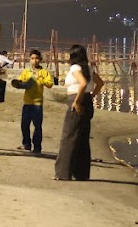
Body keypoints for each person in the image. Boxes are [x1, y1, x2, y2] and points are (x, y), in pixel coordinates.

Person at [55, 43, 103, 181]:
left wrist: (76, 101)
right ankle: (81, 173)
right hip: (87, 101)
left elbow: (82, 83)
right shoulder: (88, 68)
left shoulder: (75, 68)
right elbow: (100, 83)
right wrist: (92, 95)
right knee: (82, 139)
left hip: (77, 100)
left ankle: (63, 173)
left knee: (69, 137)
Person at [13, 49, 56, 153]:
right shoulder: (26, 72)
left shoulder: (44, 72)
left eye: (37, 58)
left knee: (37, 126)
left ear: (40, 60)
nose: (35, 60)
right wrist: (18, 83)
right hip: (27, 102)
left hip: (37, 103)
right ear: (29, 60)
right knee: (24, 125)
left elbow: (50, 84)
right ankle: (26, 144)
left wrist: (39, 79)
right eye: (32, 58)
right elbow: (20, 82)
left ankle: (37, 147)